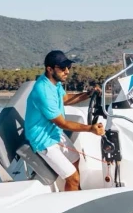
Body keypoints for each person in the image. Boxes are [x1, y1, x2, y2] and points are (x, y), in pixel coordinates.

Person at [25, 50, 105, 191]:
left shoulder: (54, 83)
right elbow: (62, 123)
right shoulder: (43, 91)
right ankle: (71, 198)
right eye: (62, 68)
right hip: (43, 140)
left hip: (54, 133)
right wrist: (90, 128)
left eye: (68, 67)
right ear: (50, 69)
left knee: (75, 159)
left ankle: (74, 191)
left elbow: (65, 99)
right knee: (73, 178)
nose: (67, 71)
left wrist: (88, 94)